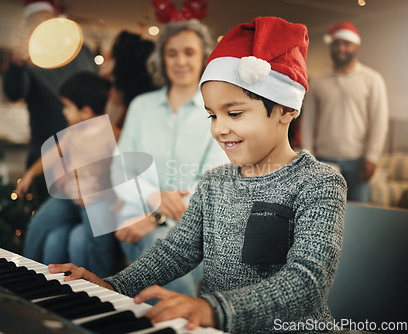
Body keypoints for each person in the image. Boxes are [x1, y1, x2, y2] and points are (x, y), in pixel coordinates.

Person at [49, 17, 347, 334]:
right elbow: (176, 251)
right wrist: (114, 285)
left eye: (234, 113)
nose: (218, 129)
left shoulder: (320, 183)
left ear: (286, 109)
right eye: (212, 115)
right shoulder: (214, 182)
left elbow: (307, 280)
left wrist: (212, 309)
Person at [100, 19, 228, 298]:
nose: (180, 61)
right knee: (156, 245)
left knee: (161, 247)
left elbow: (214, 180)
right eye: (172, 53)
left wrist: (157, 217)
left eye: (189, 52)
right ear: (162, 59)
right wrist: (153, 196)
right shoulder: (141, 106)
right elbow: (119, 170)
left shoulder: (218, 113)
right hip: (136, 222)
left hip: (195, 228)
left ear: (204, 57)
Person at [41, 31, 157, 278]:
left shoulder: (133, 107)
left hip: (111, 200)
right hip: (86, 193)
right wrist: (66, 178)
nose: (103, 57)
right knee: (54, 237)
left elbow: (119, 160)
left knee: (75, 237)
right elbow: (71, 148)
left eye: (110, 53)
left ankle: (97, 294)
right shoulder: (108, 98)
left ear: (122, 62)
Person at [16, 72, 116, 266]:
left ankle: (105, 285)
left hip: (96, 199)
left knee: (99, 243)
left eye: (67, 106)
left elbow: (119, 172)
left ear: (86, 112)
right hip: (70, 195)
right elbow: (52, 155)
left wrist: (101, 188)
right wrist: (29, 175)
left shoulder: (112, 135)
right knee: (38, 224)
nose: (64, 111)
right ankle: (26, 271)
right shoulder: (72, 132)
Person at [3, 0, 98, 169]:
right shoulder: (29, 59)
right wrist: (16, 65)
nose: (40, 27)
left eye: (45, 21)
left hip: (86, 150)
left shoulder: (81, 51)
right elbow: (14, 93)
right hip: (45, 151)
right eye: (34, 23)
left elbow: (96, 91)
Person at [301, 21, 389, 203]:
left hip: (359, 162)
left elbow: (379, 121)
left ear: (357, 46)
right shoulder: (318, 81)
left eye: (346, 43)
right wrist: (308, 155)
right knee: (325, 213)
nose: (341, 48)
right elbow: (308, 121)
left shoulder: (372, 79)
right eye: (337, 43)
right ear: (331, 46)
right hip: (324, 160)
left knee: (358, 217)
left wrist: (372, 157)